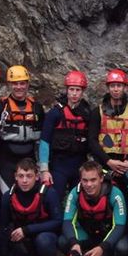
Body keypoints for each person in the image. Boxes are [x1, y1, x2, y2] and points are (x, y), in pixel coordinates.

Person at [60, 161, 128, 256]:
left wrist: (103, 247)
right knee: (63, 241)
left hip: (108, 234)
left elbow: (119, 226)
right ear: (80, 180)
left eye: (93, 180)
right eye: (85, 180)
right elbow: (67, 221)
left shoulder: (115, 194)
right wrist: (74, 244)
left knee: (123, 247)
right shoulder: (75, 193)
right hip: (88, 232)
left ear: (101, 178)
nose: (89, 184)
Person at [0, 158, 62, 256]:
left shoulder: (48, 193)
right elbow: (2, 226)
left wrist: (27, 230)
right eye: (21, 176)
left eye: (29, 176)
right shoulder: (8, 197)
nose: (24, 180)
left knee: (44, 240)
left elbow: (58, 222)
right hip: (21, 241)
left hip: (43, 236)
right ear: (15, 177)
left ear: (37, 176)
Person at [0, 65, 45, 194]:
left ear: (27, 85)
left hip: (30, 160)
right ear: (9, 85)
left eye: (22, 83)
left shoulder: (37, 107)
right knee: (7, 197)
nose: (19, 87)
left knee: (30, 198)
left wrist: (44, 167)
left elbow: (44, 139)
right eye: (15, 84)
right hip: (6, 161)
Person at [88, 69, 128, 201]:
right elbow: (92, 141)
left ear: (125, 87)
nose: (116, 89)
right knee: (104, 199)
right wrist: (108, 162)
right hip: (105, 164)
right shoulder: (97, 112)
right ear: (108, 88)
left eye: (119, 86)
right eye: (112, 86)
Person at [39, 71, 91, 201]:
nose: (74, 93)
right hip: (59, 165)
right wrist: (44, 170)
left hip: (79, 165)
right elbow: (44, 141)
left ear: (82, 92)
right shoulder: (55, 113)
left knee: (78, 200)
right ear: (66, 90)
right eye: (71, 89)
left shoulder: (87, 113)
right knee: (55, 198)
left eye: (78, 90)